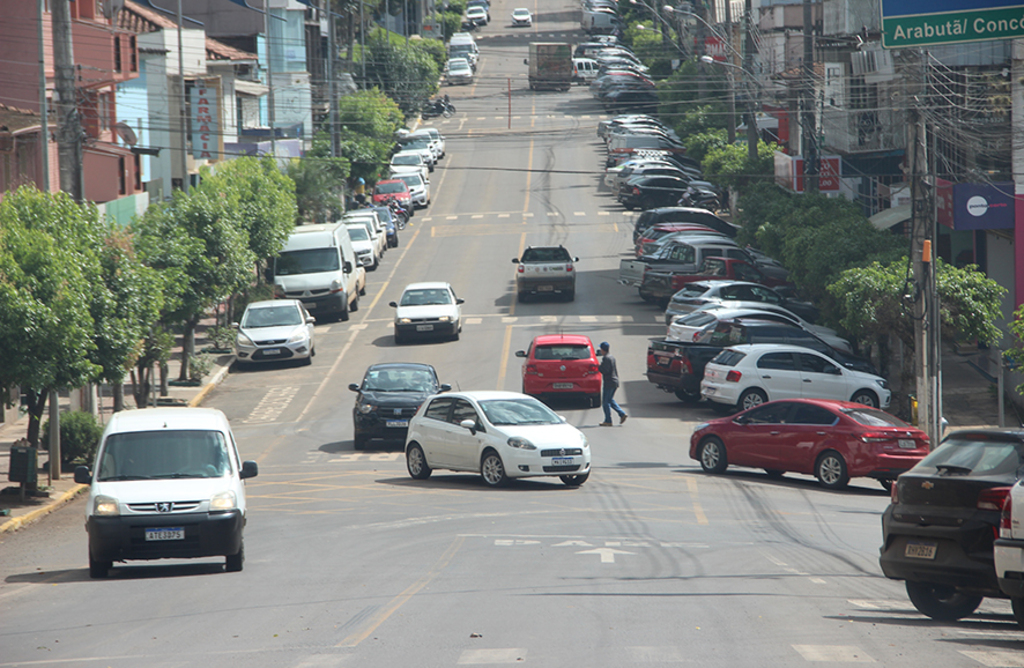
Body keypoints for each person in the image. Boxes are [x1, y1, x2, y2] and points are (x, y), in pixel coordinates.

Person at [597, 341, 626, 426]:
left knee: (605, 402)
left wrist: (599, 366)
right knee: (610, 400)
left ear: (603, 349)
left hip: (609, 382)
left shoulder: (606, 358)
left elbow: (605, 370)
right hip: (614, 382)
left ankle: (608, 420)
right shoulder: (611, 357)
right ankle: (622, 414)